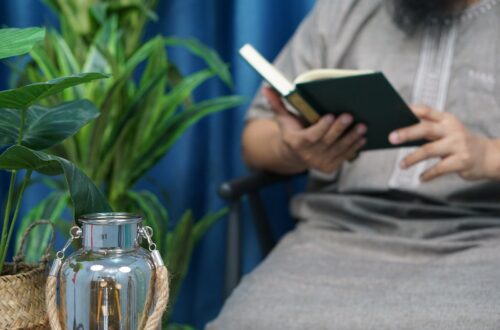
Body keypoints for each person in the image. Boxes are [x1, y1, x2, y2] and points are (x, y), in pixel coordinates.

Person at [208, 0, 500, 328]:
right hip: (335, 236)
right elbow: (254, 143)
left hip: (481, 241)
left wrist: (488, 155)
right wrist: (293, 149)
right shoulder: (341, 12)